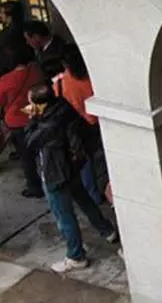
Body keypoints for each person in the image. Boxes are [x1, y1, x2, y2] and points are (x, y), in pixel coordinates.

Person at [23, 84, 118, 273]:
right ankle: (107, 230)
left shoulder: (47, 126)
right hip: (72, 167)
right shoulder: (63, 108)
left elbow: (30, 141)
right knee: (84, 200)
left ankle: (76, 256)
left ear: (39, 105)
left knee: (64, 216)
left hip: (55, 173)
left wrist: (32, 119)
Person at [0, 43, 44, 198]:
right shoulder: (36, 71)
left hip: (17, 119)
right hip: (36, 113)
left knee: (26, 156)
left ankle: (34, 185)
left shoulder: (7, 80)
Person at [54, 45, 104, 205]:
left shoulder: (60, 83)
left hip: (77, 127)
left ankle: (93, 195)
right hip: (99, 122)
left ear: (64, 63)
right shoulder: (95, 77)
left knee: (85, 162)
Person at [0, 1, 29, 71]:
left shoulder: (9, 32)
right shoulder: (24, 27)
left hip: (9, 68)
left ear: (9, 15)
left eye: (1, 13)